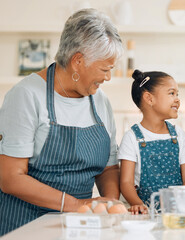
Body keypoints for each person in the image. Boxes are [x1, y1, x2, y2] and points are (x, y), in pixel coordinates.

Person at [0, 9, 123, 235]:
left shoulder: (100, 101)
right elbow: (10, 178)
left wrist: (109, 203)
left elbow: (108, 167)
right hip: (26, 227)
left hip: (80, 228)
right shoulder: (26, 96)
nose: (108, 77)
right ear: (78, 61)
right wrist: (76, 205)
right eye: (105, 69)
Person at [119, 69, 185, 214]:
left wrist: (179, 204)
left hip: (177, 212)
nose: (177, 99)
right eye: (171, 93)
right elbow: (126, 183)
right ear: (149, 98)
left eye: (177, 94)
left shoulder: (180, 136)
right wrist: (138, 205)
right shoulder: (131, 138)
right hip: (144, 215)